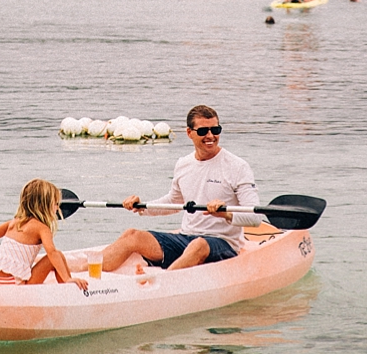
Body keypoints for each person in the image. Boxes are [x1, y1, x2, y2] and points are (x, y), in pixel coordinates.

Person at [97, 105, 260, 272]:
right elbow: (173, 202)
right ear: (189, 133)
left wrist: (225, 214)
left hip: (223, 243)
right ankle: (85, 275)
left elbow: (255, 218)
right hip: (185, 238)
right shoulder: (183, 164)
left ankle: (164, 282)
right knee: (132, 235)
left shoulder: (238, 167)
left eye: (215, 129)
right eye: (203, 131)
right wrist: (141, 207)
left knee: (199, 244)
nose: (210, 136)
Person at [0, 179, 87, 289]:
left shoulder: (14, 222)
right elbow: (51, 253)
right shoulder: (42, 228)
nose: (57, 207)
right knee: (57, 255)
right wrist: (67, 278)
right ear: (44, 206)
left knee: (57, 255)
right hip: (16, 285)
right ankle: (68, 286)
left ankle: (67, 284)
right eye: (55, 203)